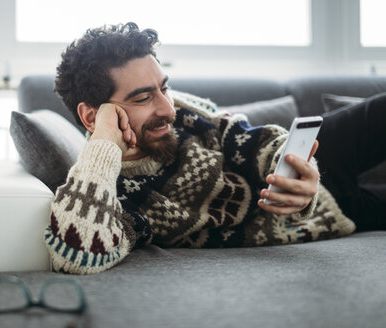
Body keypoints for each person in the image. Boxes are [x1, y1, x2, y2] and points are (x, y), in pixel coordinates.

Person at [44, 22, 386, 275]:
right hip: (321, 213)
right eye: (144, 97)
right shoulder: (118, 195)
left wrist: (295, 164)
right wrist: (104, 143)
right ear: (92, 115)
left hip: (303, 171)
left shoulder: (177, 111)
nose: (168, 109)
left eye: (164, 88)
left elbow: (245, 135)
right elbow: (75, 255)